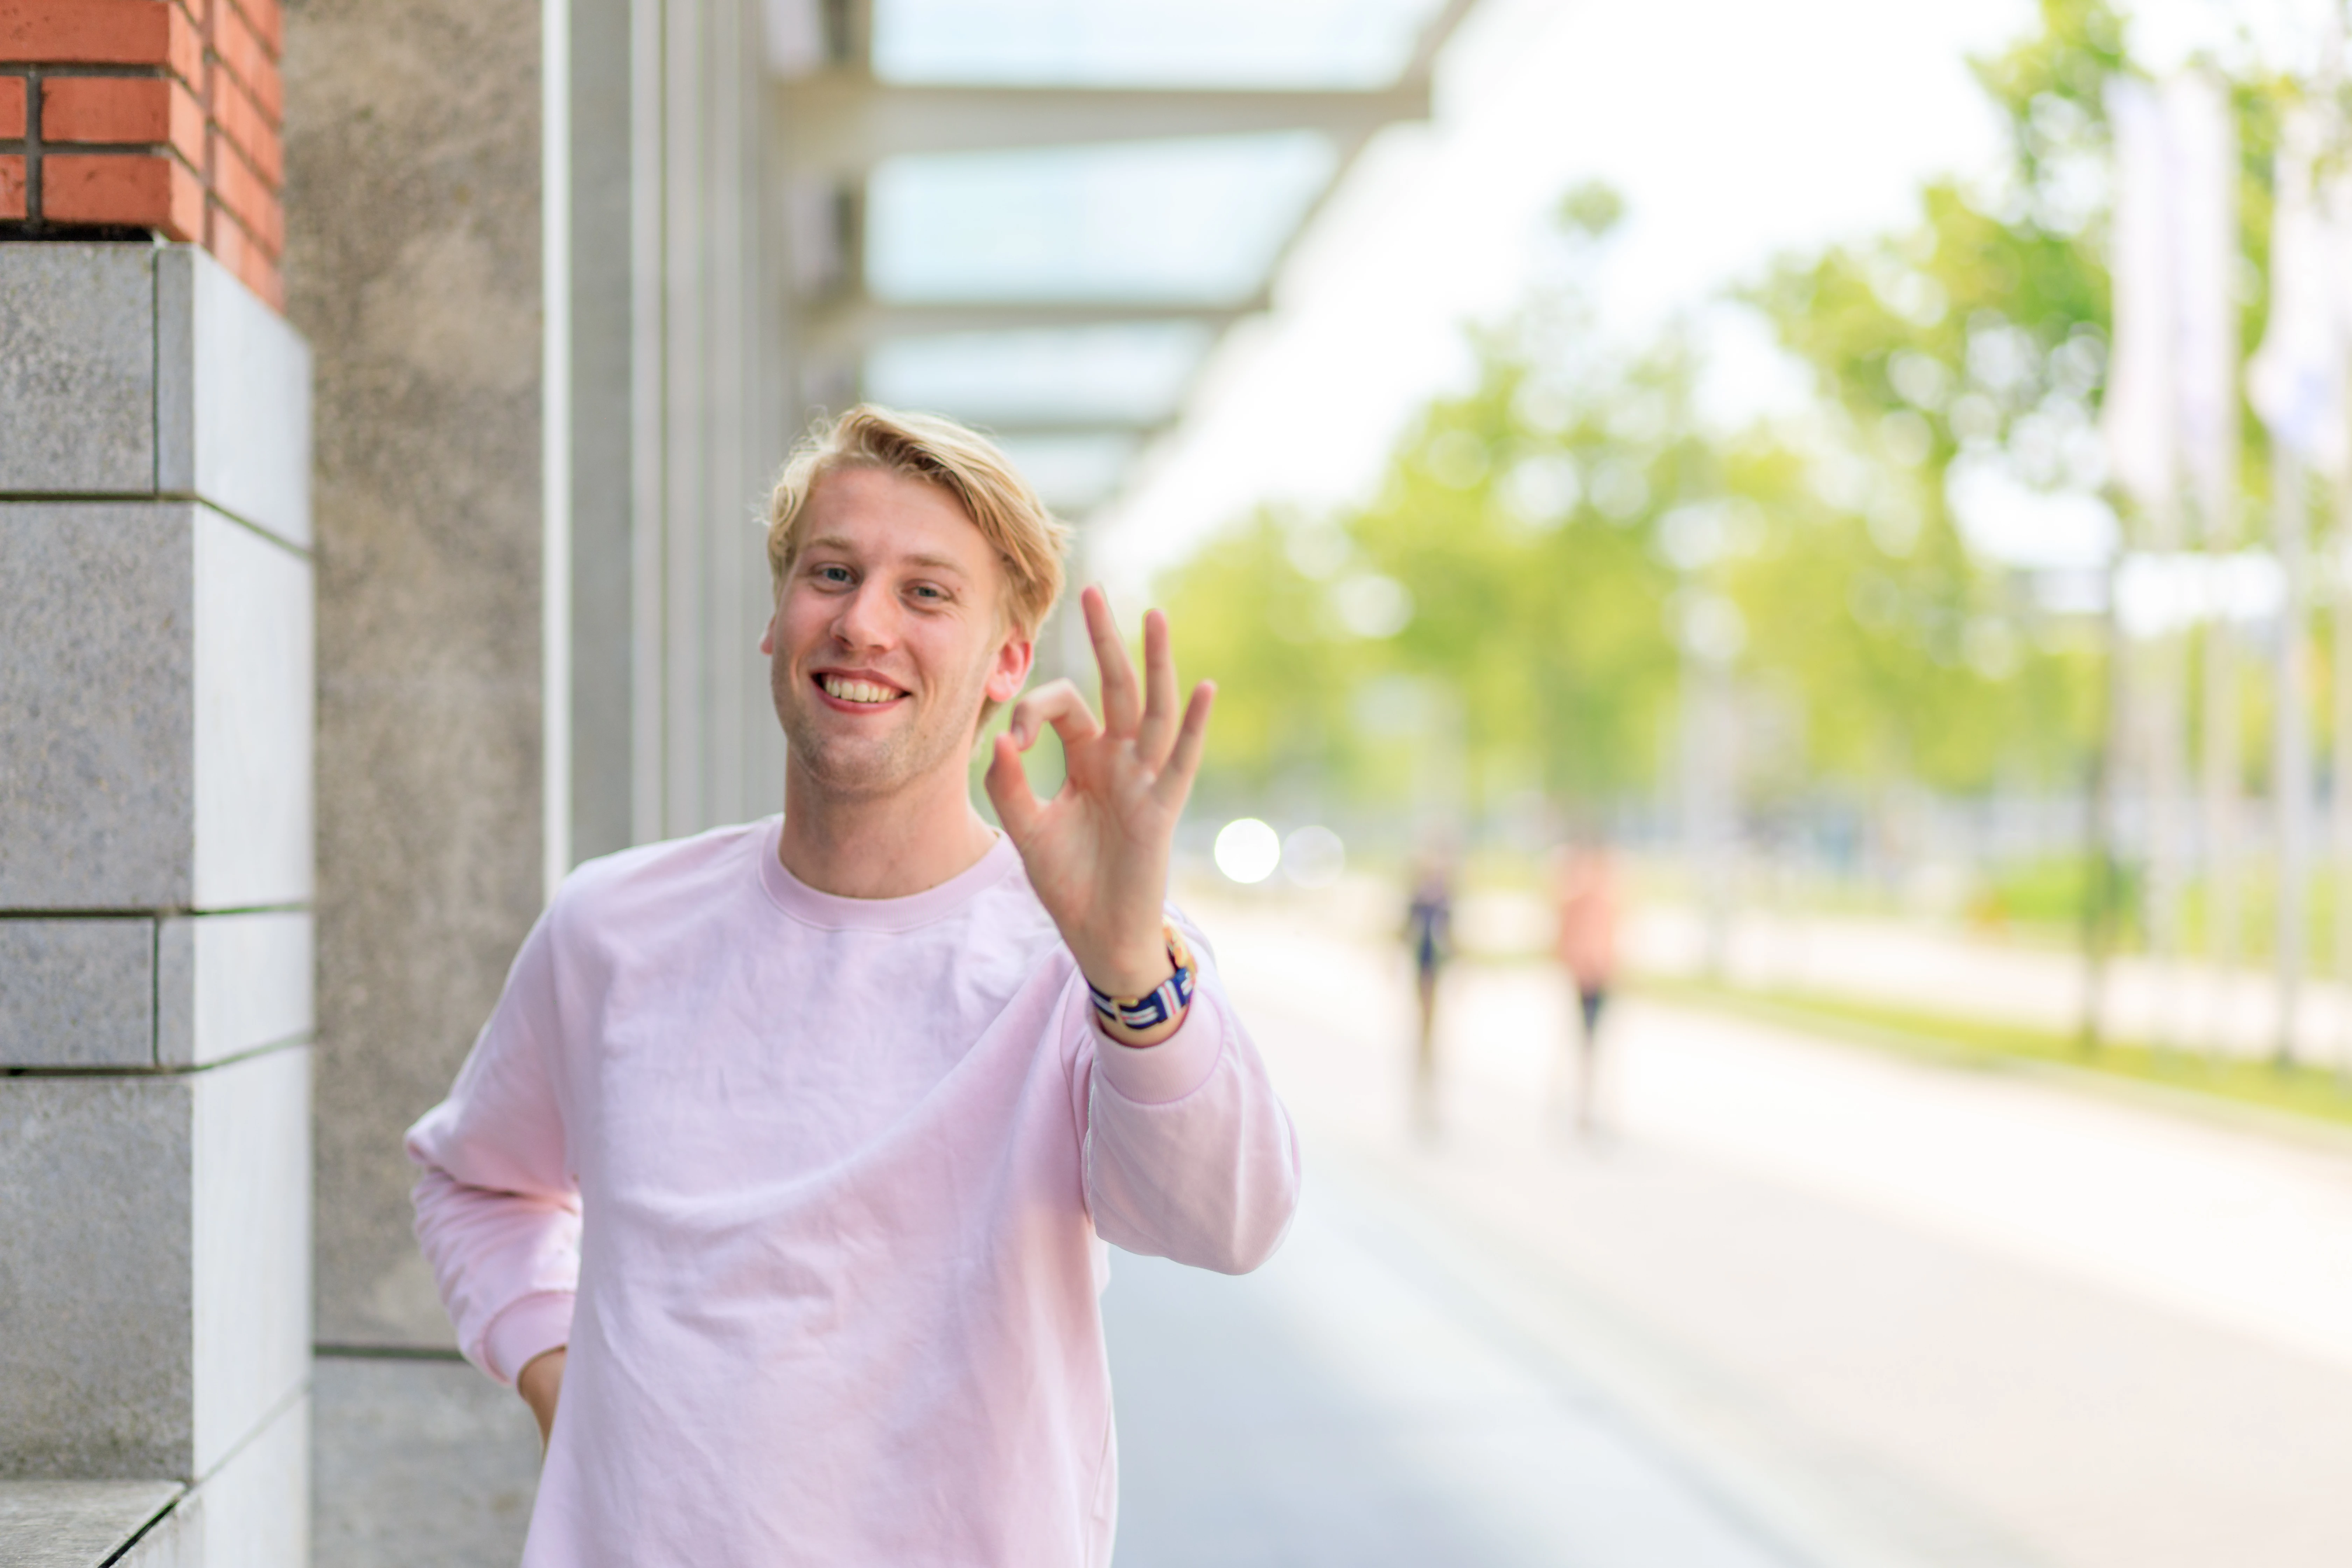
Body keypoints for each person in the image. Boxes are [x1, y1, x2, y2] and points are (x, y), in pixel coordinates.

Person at [405, 407, 1301, 1568]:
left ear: (1008, 664)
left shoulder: (1093, 959)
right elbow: (474, 1180)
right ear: (776, 620)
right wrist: (558, 1377)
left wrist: (1128, 965)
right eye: (833, 574)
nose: (866, 623)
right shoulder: (611, 928)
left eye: (928, 594)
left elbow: (1227, 1223)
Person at [1552, 840, 1622, 1137]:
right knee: (1584, 1041)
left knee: (1596, 1043)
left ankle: (1590, 1103)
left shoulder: (1606, 896)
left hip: (1602, 973)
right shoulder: (1578, 896)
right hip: (1584, 975)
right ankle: (1581, 1103)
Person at [1401, 848, 1454, 1135]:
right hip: (1422, 973)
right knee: (1422, 1039)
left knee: (1433, 1039)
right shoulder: (1418, 898)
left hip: (1437, 973)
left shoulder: (1446, 898)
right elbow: (1405, 934)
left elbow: (1453, 938)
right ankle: (1420, 1099)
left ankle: (1430, 1101)